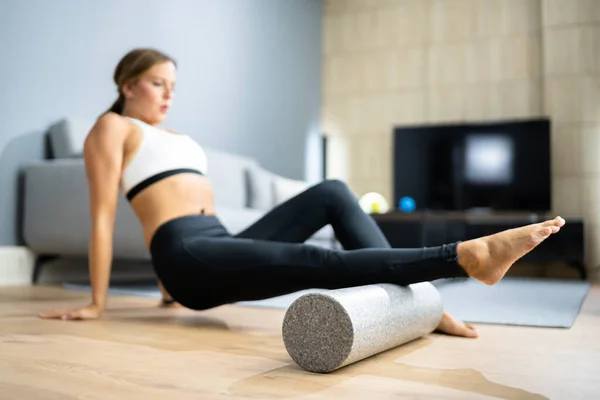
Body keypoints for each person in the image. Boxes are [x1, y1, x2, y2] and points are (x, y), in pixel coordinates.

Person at [39, 48, 566, 338]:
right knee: (313, 259)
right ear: (128, 84)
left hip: (212, 245)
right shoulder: (110, 129)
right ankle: (461, 259)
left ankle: (422, 304)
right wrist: (96, 303)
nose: (169, 94)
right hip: (185, 254)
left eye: (174, 85)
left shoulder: (176, 137)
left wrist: (165, 292)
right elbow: (106, 216)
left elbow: (183, 205)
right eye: (158, 83)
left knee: (332, 192)